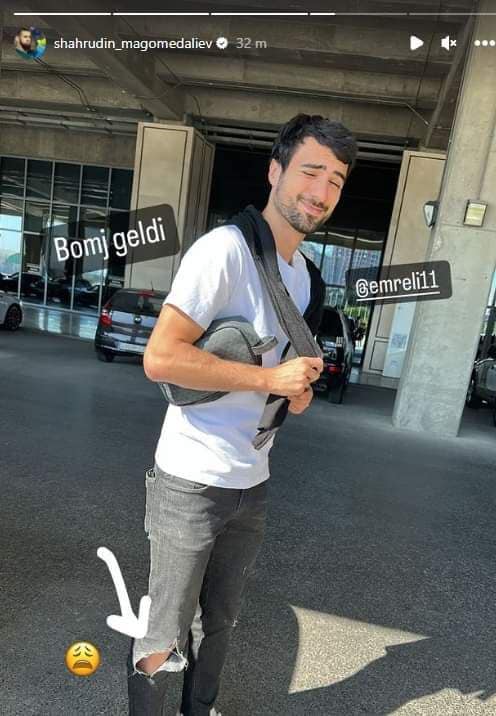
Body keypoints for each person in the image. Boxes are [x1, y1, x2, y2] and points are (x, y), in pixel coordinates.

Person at [127, 113, 357, 715]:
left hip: (251, 482)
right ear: (276, 171)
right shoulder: (224, 250)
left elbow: (281, 376)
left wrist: (293, 393)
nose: (321, 191)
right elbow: (160, 357)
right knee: (163, 635)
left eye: (335, 181)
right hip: (190, 479)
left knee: (220, 624)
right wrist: (266, 379)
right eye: (310, 172)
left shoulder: (304, 278)